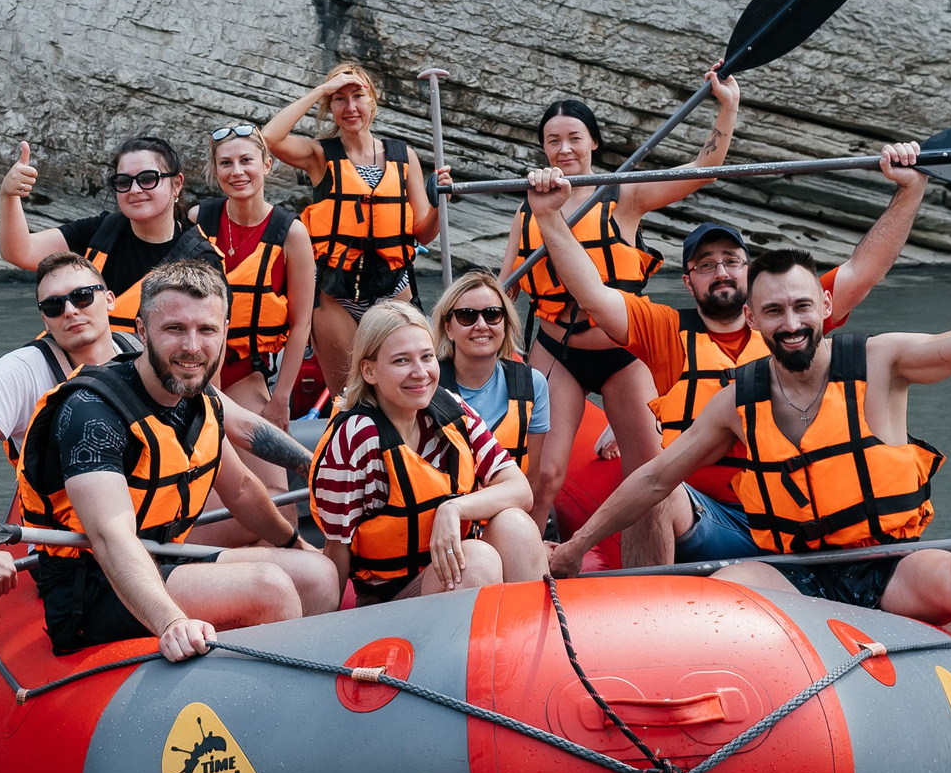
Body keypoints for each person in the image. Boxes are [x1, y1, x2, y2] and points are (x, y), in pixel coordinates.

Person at [548, 251, 951, 773]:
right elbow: (656, 478)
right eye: (773, 310)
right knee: (724, 597)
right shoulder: (737, 401)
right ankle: (676, 734)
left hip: (884, 566)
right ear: (752, 318)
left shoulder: (881, 362)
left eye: (801, 306)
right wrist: (576, 546)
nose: (790, 322)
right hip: (795, 571)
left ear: (824, 305)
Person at [527, 146, 924, 567]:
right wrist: (549, 218)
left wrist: (909, 190)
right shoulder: (665, 331)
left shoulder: (790, 321)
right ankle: (651, 598)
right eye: (705, 265)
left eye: (731, 261)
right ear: (688, 282)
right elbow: (593, 295)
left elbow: (864, 270)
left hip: (793, 521)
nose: (720, 272)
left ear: (748, 272)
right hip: (708, 519)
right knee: (653, 486)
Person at [15, 261, 340, 661]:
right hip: (92, 589)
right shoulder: (91, 414)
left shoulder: (197, 399)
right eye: (174, 329)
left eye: (207, 330)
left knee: (319, 575)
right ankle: (277, 689)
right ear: (142, 331)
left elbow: (241, 489)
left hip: (168, 554)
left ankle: (310, 678)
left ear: (224, 331)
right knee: (269, 588)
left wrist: (297, 543)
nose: (192, 346)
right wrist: (170, 620)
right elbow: (111, 538)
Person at [504, 74, 742, 567]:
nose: (564, 149)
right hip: (556, 350)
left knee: (647, 473)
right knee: (544, 475)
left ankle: (645, 579)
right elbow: (506, 287)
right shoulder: (529, 210)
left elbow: (705, 169)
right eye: (553, 140)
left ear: (594, 142)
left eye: (574, 138)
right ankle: (524, 571)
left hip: (623, 354)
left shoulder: (624, 194)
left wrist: (727, 107)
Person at [311, 300, 545, 604]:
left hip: (447, 580)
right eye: (401, 361)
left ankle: (532, 633)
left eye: (427, 357)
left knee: (515, 525)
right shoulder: (357, 437)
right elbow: (337, 547)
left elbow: (520, 490)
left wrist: (454, 508)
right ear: (369, 371)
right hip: (387, 603)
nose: (420, 372)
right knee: (476, 560)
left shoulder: (452, 410)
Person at [0, 252, 139, 595]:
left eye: (82, 296)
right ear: (45, 318)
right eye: (54, 306)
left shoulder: (140, 351)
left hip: (151, 528)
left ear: (109, 299)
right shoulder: (20, 370)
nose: (70, 311)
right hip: (72, 553)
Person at [262, 65, 443, 396]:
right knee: (349, 395)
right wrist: (320, 90)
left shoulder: (404, 156)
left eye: (358, 96)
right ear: (329, 107)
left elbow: (424, 233)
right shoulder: (320, 155)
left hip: (394, 287)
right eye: (339, 99)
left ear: (372, 101)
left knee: (402, 391)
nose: (350, 107)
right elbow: (269, 138)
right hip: (335, 293)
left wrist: (439, 203)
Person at [189, 124, 318, 477]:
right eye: (226, 163)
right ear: (215, 170)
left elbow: (301, 324)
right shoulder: (198, 221)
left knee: (274, 487)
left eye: (246, 160)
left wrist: (281, 400)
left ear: (267, 165)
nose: (237, 172)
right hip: (194, 371)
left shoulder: (292, 233)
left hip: (245, 373)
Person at [0, 135, 220, 331]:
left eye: (148, 179)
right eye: (124, 182)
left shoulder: (202, 258)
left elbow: (209, 340)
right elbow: (19, 251)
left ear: (177, 184)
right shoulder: (100, 232)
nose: (135, 190)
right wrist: (9, 195)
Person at [429, 271, 550, 483]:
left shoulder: (533, 384)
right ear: (448, 328)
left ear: (505, 323)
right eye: (467, 316)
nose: (481, 325)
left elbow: (530, 476)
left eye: (492, 314)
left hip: (508, 501)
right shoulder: (427, 384)